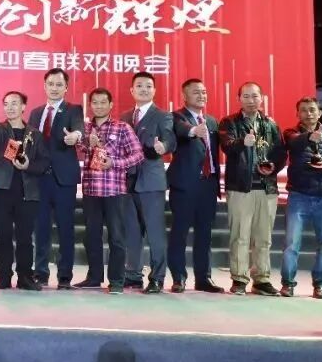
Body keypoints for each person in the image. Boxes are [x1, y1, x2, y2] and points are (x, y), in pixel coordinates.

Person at [218, 82, 287, 296]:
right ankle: (239, 279)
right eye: (246, 96)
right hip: (240, 187)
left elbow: (281, 153)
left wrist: (274, 166)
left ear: (262, 98)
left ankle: (262, 279)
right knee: (240, 236)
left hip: (267, 188)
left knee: (264, 238)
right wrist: (242, 142)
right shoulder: (229, 122)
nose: (251, 100)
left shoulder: (271, 124)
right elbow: (226, 146)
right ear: (239, 99)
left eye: (255, 96)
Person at [74, 88, 144, 294]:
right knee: (92, 237)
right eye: (95, 102)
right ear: (90, 105)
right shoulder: (85, 128)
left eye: (103, 102)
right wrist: (86, 143)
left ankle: (117, 280)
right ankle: (94, 277)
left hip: (115, 191)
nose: (99, 106)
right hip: (91, 190)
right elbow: (80, 148)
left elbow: (138, 155)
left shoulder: (122, 127)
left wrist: (114, 163)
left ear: (111, 105)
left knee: (116, 237)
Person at [280, 97, 322, 299]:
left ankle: (320, 285)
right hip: (299, 195)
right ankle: (287, 283)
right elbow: (294, 144)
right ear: (297, 114)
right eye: (303, 110)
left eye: (312, 110)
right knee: (291, 243)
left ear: (319, 113)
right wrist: (310, 137)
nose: (308, 113)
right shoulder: (291, 133)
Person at [28, 68, 84, 290]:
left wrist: (75, 137)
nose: (54, 88)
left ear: (66, 88)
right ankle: (40, 273)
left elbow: (79, 129)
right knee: (40, 229)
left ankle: (64, 276)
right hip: (39, 179)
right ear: (44, 86)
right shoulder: (35, 113)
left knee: (65, 229)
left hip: (64, 180)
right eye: (50, 84)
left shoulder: (73, 110)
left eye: (59, 84)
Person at [0, 92, 46, 291]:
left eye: (14, 103)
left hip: (28, 192)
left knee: (25, 237)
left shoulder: (35, 134)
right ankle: (3, 276)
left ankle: (25, 277)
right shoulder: (0, 130)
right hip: (2, 190)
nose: (9, 107)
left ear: (23, 107)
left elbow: (44, 163)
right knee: (3, 235)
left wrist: (28, 166)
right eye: (6, 104)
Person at [167, 79, 224, 293]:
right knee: (179, 232)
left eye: (204, 92)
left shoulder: (212, 121)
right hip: (184, 185)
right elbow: (182, 130)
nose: (201, 95)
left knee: (204, 234)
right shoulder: (176, 117)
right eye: (196, 92)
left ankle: (203, 278)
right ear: (184, 96)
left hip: (208, 185)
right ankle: (178, 278)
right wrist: (193, 131)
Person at [122, 72, 176, 294]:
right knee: (132, 232)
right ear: (132, 90)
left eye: (148, 86)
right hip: (127, 181)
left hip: (151, 181)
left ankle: (157, 278)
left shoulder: (163, 116)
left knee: (155, 233)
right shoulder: (125, 116)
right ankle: (133, 275)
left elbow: (170, 139)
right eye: (139, 86)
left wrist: (164, 147)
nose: (143, 89)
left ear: (154, 90)